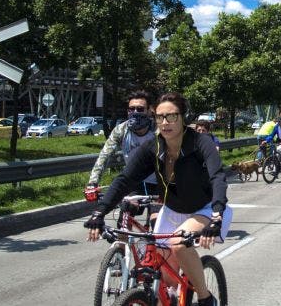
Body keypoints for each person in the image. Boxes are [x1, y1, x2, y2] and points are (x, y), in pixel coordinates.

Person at [84, 92, 232, 305]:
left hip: (205, 208)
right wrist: (100, 212)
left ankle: (205, 297)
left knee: (178, 244)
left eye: (171, 116)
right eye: (160, 117)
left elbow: (218, 177)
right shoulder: (153, 147)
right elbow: (124, 179)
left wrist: (217, 215)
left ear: (183, 117)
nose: (165, 122)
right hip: (172, 210)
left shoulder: (201, 143)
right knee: (166, 276)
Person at [86, 91, 157, 197]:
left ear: (150, 111)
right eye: (131, 109)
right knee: (126, 209)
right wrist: (92, 183)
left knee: (155, 213)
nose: (135, 112)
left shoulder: (159, 130)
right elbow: (105, 155)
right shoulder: (121, 130)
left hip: (159, 183)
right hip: (133, 183)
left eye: (140, 109)